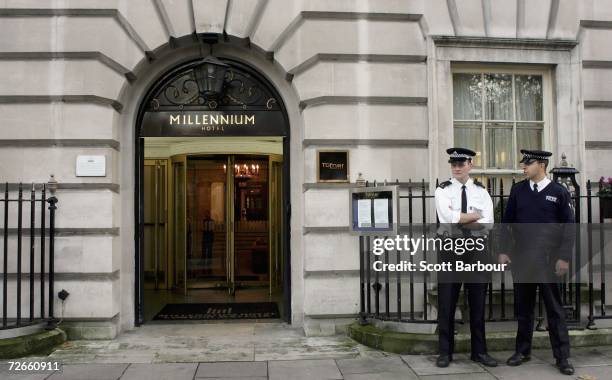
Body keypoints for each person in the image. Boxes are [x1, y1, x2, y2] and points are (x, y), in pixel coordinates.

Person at [498, 149, 575, 376]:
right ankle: (522, 351)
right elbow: (506, 222)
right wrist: (503, 251)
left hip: (549, 262)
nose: (523, 166)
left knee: (554, 310)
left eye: (528, 163)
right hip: (522, 259)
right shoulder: (518, 190)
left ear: (541, 165)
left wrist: (564, 257)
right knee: (524, 309)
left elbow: (569, 228)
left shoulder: (559, 193)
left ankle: (562, 357)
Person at [434, 147, 497, 368]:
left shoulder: (482, 191)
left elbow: (488, 223)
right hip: (450, 248)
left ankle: (479, 352)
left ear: (470, 165)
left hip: (477, 249)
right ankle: (445, 352)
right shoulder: (442, 190)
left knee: (478, 304)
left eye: (461, 164)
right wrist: (474, 216)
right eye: (453, 164)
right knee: (446, 303)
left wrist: (460, 218)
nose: (457, 167)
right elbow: (447, 218)